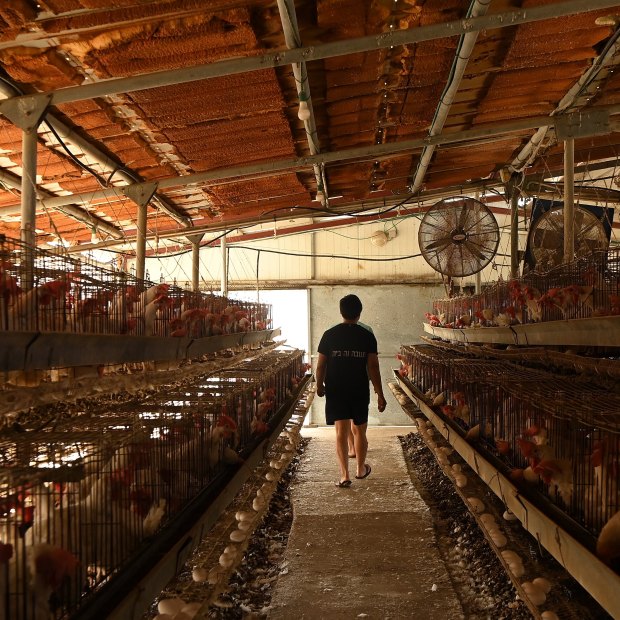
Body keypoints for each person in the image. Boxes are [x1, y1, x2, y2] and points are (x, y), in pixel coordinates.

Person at [315, 294, 387, 487]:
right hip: (359, 388)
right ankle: (360, 469)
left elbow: (321, 365)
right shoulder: (367, 336)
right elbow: (373, 367)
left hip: (336, 388)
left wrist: (319, 385)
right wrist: (380, 393)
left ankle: (344, 475)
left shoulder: (329, 334)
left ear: (341, 312)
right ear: (359, 312)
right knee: (360, 430)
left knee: (341, 432)